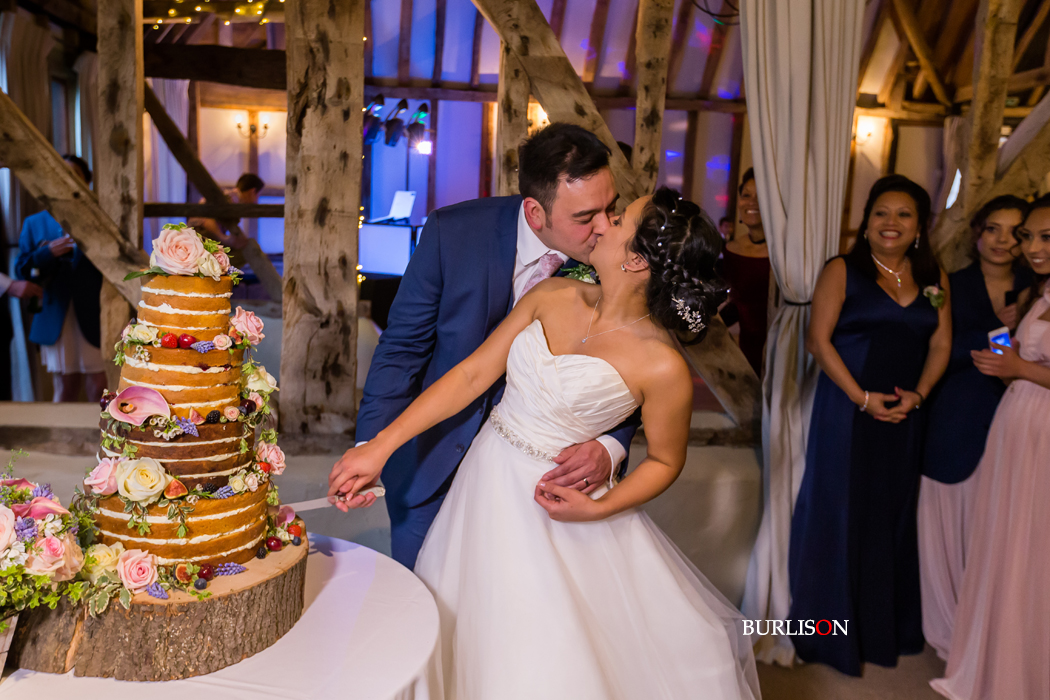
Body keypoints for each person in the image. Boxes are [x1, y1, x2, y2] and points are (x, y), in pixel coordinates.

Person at [329, 188, 760, 700]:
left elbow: (666, 460)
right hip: (483, 485)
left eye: (617, 220)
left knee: (542, 653)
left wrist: (600, 510)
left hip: (561, 510)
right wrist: (380, 446)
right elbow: (470, 377)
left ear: (637, 259)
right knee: (461, 623)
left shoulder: (661, 365)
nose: (600, 224)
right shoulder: (551, 295)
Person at [353, 123, 639, 568]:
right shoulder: (454, 232)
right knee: (423, 611)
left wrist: (611, 445)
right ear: (535, 211)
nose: (604, 228)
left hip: (541, 485)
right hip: (429, 465)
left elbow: (633, 368)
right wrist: (374, 448)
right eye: (585, 217)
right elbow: (401, 351)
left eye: (611, 208)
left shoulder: (620, 263)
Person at [789, 174, 951, 676]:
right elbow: (819, 342)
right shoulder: (842, 269)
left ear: (920, 226)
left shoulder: (932, 276)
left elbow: (941, 344)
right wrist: (862, 399)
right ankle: (825, 635)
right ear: (867, 220)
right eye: (881, 212)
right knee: (840, 516)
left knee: (891, 519)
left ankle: (881, 629)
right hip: (847, 413)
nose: (891, 223)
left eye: (904, 215)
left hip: (904, 417)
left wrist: (919, 396)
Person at [930, 196, 1050, 700]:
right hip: (1005, 419)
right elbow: (995, 354)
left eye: (1041, 236)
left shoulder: (1033, 288)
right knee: (1007, 541)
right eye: (1030, 236)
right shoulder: (1033, 292)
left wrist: (1018, 364)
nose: (1026, 245)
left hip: (1036, 422)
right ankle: (997, 648)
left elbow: (1019, 363)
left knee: (1031, 546)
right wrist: (1010, 340)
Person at [15, 155, 105, 403]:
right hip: (56, 311)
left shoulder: (101, 218)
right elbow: (22, 269)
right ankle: (63, 441)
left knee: (99, 386)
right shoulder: (35, 223)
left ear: (86, 181)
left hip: (95, 311)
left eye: (74, 174)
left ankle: (101, 439)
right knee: (65, 388)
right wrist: (47, 253)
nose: (65, 179)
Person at [720, 168, 771, 374]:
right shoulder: (732, 250)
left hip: (782, 349)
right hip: (747, 351)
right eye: (746, 195)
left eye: (761, 197)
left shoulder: (785, 253)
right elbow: (739, 305)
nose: (751, 202)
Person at [187, 172, 264, 251]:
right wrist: (225, 239)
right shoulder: (230, 200)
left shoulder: (230, 197)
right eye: (258, 195)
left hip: (196, 235)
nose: (256, 200)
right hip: (198, 234)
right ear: (252, 192)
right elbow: (206, 219)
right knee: (246, 251)